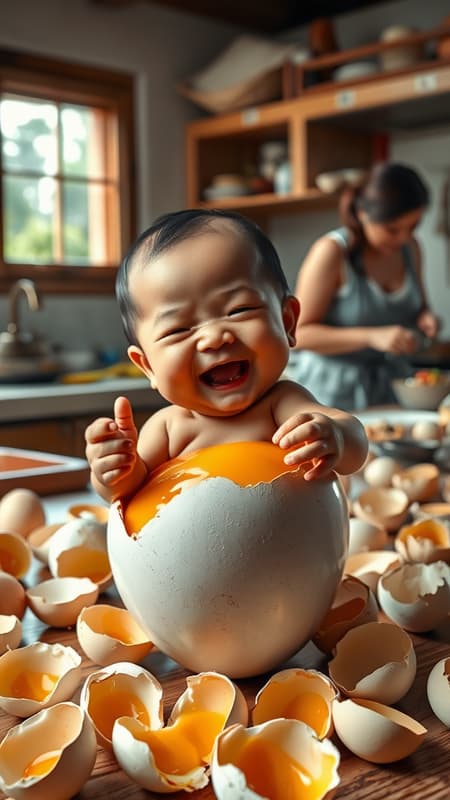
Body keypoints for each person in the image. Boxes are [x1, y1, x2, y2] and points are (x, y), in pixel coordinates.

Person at [85, 209, 368, 503]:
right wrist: (113, 471)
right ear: (148, 367)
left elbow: (354, 444)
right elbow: (127, 495)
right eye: (178, 329)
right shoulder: (168, 430)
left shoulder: (283, 405)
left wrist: (335, 436)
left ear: (287, 322)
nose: (214, 337)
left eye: (239, 310)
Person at [287, 162, 440, 411]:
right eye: (392, 229)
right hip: (331, 393)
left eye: (412, 227)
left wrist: (426, 318)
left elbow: (420, 307)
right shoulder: (331, 252)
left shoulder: (411, 248)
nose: (403, 237)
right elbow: (298, 335)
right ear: (362, 213)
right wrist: (371, 336)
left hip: (391, 388)